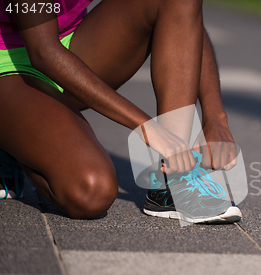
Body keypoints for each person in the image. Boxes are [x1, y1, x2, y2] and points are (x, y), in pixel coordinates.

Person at [0, 0, 241, 222]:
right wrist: (145, 126)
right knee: (91, 192)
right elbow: (43, 52)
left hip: (71, 43)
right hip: (13, 61)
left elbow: (183, 14)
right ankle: (12, 142)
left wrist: (215, 117)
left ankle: (174, 179)